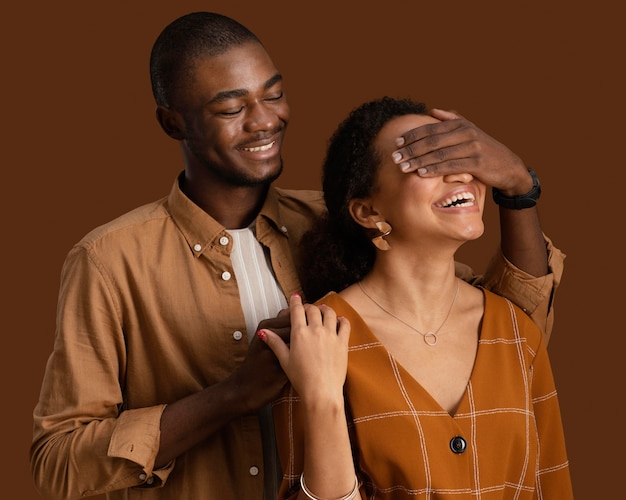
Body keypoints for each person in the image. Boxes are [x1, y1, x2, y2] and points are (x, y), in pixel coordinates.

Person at [29, 12, 564, 500]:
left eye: (274, 94)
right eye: (232, 107)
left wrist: (519, 189)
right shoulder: (109, 260)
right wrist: (232, 395)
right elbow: (57, 464)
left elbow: (508, 334)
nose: (264, 121)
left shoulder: (330, 221)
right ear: (173, 123)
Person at [261, 97, 572, 499]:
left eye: (459, 155)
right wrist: (323, 402)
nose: (460, 173)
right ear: (368, 212)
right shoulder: (319, 337)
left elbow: (553, 484)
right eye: (427, 161)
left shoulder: (517, 332)